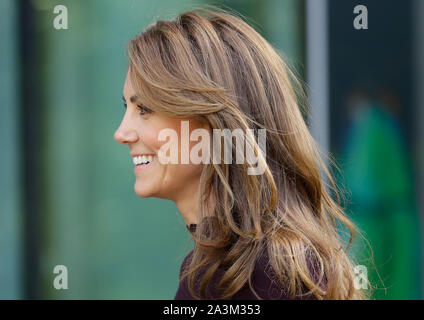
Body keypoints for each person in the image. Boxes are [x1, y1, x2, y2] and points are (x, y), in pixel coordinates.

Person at [114, 7, 367, 300]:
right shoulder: (258, 267)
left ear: (214, 123)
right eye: (127, 108)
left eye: (144, 109)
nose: (122, 133)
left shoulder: (249, 278)